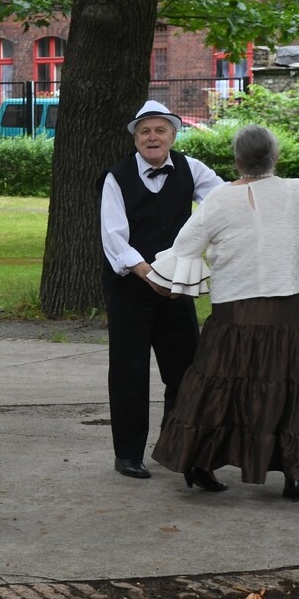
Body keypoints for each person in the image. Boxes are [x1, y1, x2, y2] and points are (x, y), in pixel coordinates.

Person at [148, 125, 299, 500]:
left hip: (232, 314)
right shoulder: (298, 191)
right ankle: (296, 473)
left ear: (236, 160)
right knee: (288, 387)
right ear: (275, 157)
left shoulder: (218, 199)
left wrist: (162, 280)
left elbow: (184, 249)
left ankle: (199, 463)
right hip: (282, 312)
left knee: (217, 387)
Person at [100, 100, 224, 480]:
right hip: (130, 286)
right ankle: (128, 455)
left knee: (186, 370)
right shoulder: (116, 177)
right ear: (136, 139)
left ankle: (177, 447)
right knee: (130, 371)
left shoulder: (192, 168)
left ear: (173, 135)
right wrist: (148, 273)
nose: (152, 137)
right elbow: (114, 238)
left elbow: (223, 203)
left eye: (159, 130)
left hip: (177, 286)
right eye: (145, 131)